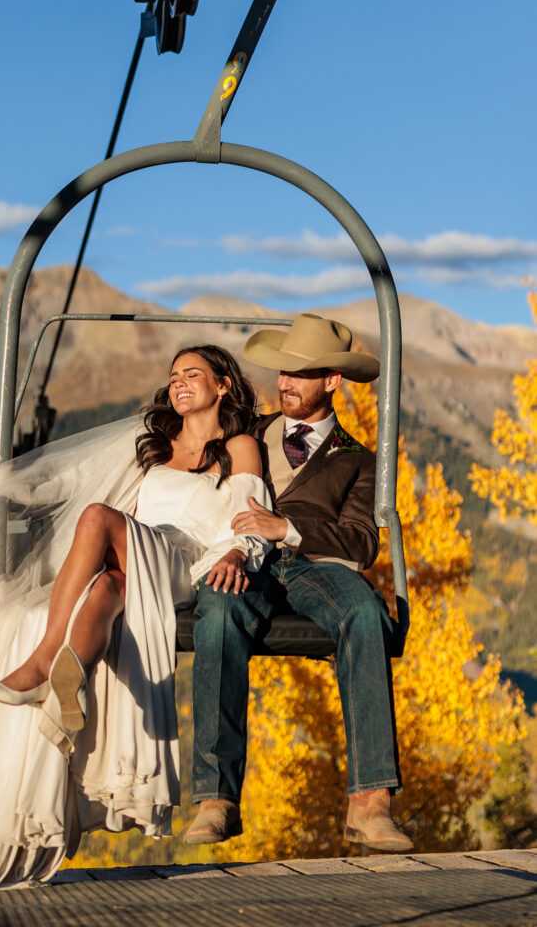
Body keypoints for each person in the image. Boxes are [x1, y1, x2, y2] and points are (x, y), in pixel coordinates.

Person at [0, 345, 272, 904]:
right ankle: (66, 686)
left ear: (223, 386)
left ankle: (44, 658)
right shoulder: (154, 445)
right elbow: (78, 479)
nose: (179, 383)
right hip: (131, 558)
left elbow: (250, 517)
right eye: (173, 376)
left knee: (96, 518)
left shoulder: (239, 447)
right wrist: (16, 488)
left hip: (183, 559)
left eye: (192, 374)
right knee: (104, 588)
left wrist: (238, 554)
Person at [185, 314, 412, 852]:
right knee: (219, 609)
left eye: (299, 374)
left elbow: (361, 542)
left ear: (332, 381)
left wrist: (285, 527)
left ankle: (371, 802)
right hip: (245, 559)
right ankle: (216, 798)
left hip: (316, 566)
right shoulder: (245, 434)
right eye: (282, 372)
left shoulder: (358, 460)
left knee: (365, 612)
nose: (284, 383)